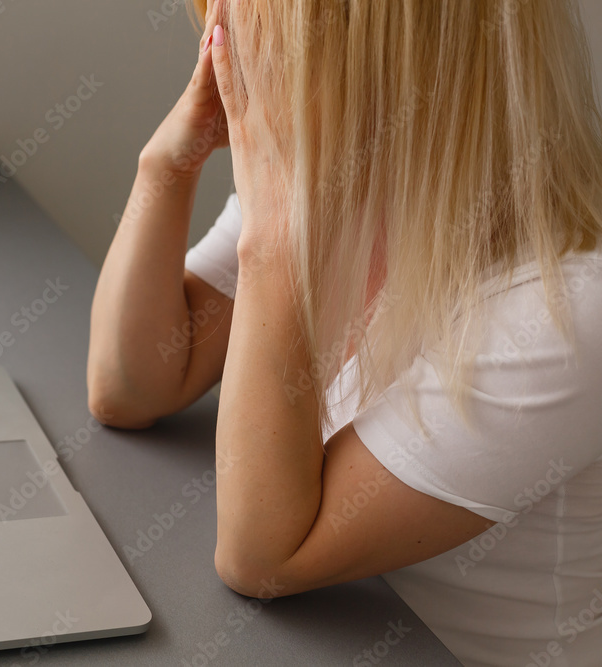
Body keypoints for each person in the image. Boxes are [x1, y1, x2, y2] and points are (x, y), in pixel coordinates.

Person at [86, 1, 602, 665]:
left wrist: (273, 241)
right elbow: (131, 385)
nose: (223, 48)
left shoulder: (566, 308)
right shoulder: (345, 185)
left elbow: (266, 557)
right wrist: (167, 165)